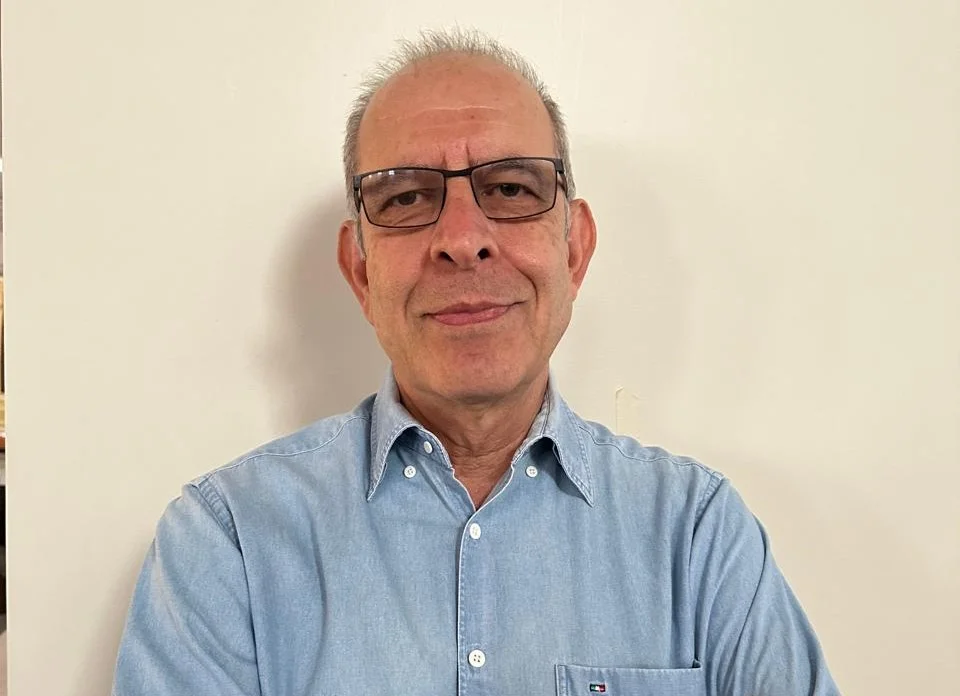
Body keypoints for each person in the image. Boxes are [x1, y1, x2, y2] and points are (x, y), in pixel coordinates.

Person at [112, 29, 840, 696]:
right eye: (406, 197)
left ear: (575, 249)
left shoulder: (699, 536)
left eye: (511, 189)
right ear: (360, 272)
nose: (463, 239)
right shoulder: (228, 544)